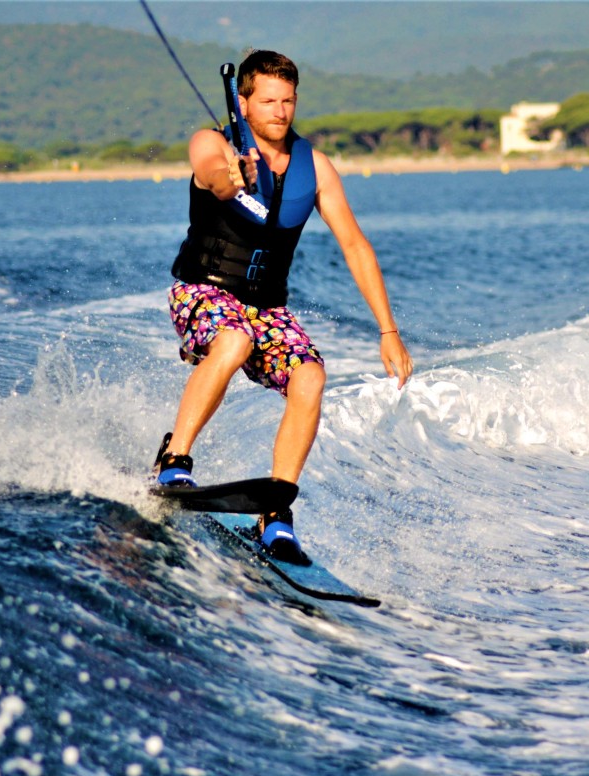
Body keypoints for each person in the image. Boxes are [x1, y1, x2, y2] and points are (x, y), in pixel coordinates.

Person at [150, 50, 413, 564]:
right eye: (268, 101)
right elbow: (211, 174)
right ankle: (174, 459)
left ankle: (275, 512)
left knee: (310, 375)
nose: (280, 111)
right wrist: (231, 178)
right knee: (234, 340)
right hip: (202, 291)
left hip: (266, 308)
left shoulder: (314, 167)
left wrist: (388, 330)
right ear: (243, 103)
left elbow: (355, 246)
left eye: (288, 100)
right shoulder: (213, 144)